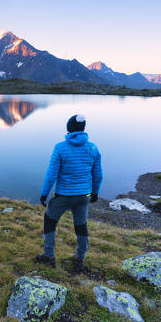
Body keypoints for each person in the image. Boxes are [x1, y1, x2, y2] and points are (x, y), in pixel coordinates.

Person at [36, 114, 103, 271]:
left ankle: (49, 256)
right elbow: (98, 174)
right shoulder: (93, 148)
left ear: (69, 128)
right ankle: (80, 258)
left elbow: (51, 174)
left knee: (50, 221)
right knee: (81, 225)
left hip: (63, 196)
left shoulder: (60, 147)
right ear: (82, 129)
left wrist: (44, 193)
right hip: (83, 196)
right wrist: (95, 192)